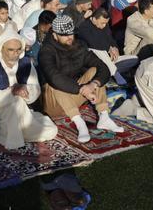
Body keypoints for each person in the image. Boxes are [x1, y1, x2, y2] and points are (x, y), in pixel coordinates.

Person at [39, 15, 123, 143]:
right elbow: (53, 77)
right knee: (55, 82)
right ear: (55, 35)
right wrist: (82, 89)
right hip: (52, 103)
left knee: (95, 71)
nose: (69, 38)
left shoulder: (77, 46)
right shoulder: (46, 50)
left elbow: (103, 67)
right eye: (64, 35)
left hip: (74, 95)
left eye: (71, 34)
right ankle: (79, 123)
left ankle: (104, 116)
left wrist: (92, 85)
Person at [0, 30, 57, 150]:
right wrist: (11, 92)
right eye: (10, 50)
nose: (15, 53)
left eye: (18, 49)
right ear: (1, 49)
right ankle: (14, 138)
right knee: (15, 101)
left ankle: (18, 135)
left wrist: (25, 90)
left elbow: (36, 89)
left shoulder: (25, 63)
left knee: (51, 130)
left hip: (24, 113)